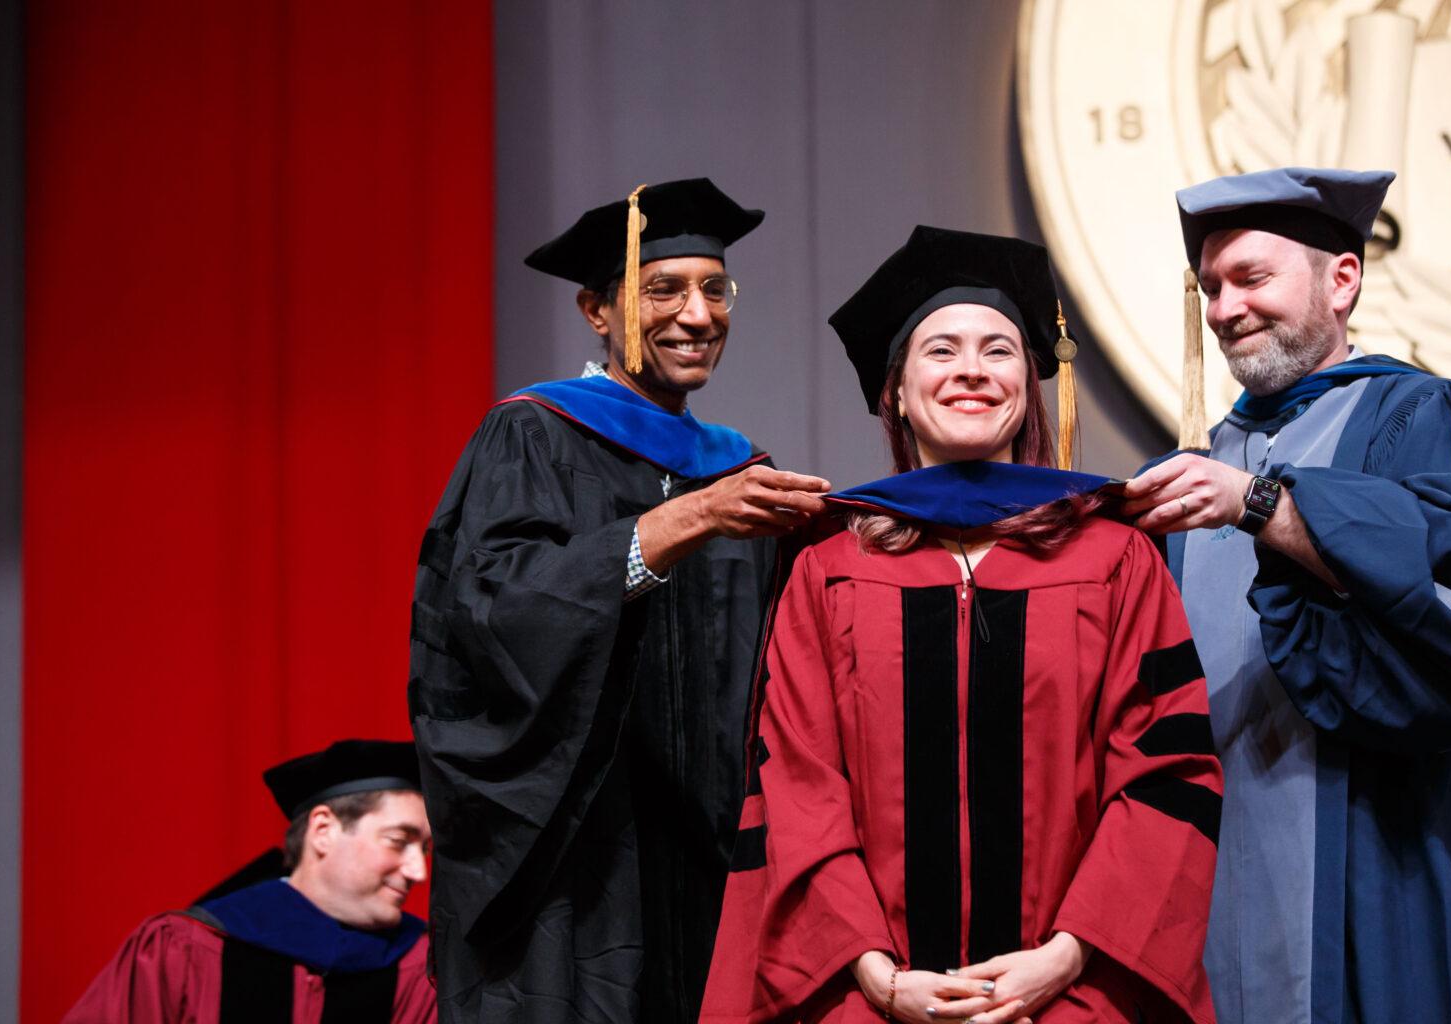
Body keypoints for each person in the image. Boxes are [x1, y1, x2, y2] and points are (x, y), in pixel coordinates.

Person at [700, 226, 1221, 1024]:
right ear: (897, 392)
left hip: (1077, 993)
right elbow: (799, 788)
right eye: (940, 351)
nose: (971, 370)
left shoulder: (1116, 561)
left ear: (1032, 384)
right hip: (872, 1000)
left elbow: (1165, 772)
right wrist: (875, 974)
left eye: (999, 350)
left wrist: (1065, 957)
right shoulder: (828, 572)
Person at [408, 178, 832, 1023]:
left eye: (715, 290)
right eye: (664, 289)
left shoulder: (737, 465)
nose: (698, 315)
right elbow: (488, 616)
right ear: (596, 312)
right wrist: (674, 525)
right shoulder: (531, 435)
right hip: (576, 868)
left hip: (712, 855)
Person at [1123, 167, 1451, 1022]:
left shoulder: (1425, 419)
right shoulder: (1183, 481)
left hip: (1399, 874)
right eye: (1212, 287)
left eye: (1253, 278)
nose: (1227, 308)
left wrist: (1265, 507)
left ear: (1342, 279)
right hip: (1220, 895)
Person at [66, 739, 435, 1023]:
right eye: (398, 842)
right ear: (323, 831)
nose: (419, 871)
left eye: (425, 849)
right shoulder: (183, 949)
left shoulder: (424, 970)